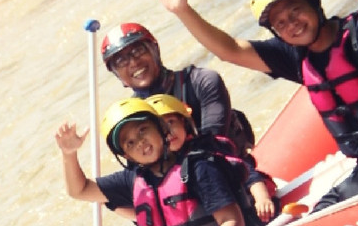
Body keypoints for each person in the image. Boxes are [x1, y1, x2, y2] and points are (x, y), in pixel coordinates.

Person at [145, 0, 358, 211]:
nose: (292, 25)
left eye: (295, 11)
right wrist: (183, 11)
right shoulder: (298, 55)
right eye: (281, 23)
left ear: (314, 1)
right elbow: (230, 49)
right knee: (323, 212)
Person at [56, 97, 252, 226]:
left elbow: (231, 220)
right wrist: (69, 153)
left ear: (161, 130)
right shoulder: (131, 181)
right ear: (126, 155)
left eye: (143, 130)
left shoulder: (198, 168)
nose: (139, 142)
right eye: (129, 142)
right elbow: (79, 190)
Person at [100, 21, 258, 161]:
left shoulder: (202, 82)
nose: (133, 62)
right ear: (116, 75)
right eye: (121, 61)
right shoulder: (128, 121)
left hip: (232, 173)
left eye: (138, 51)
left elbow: (213, 143)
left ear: (155, 49)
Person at [150, 93, 277, 224]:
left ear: (184, 122)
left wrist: (262, 198)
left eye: (171, 122)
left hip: (247, 214)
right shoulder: (158, 172)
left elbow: (246, 171)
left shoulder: (209, 146)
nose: (169, 133)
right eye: (161, 129)